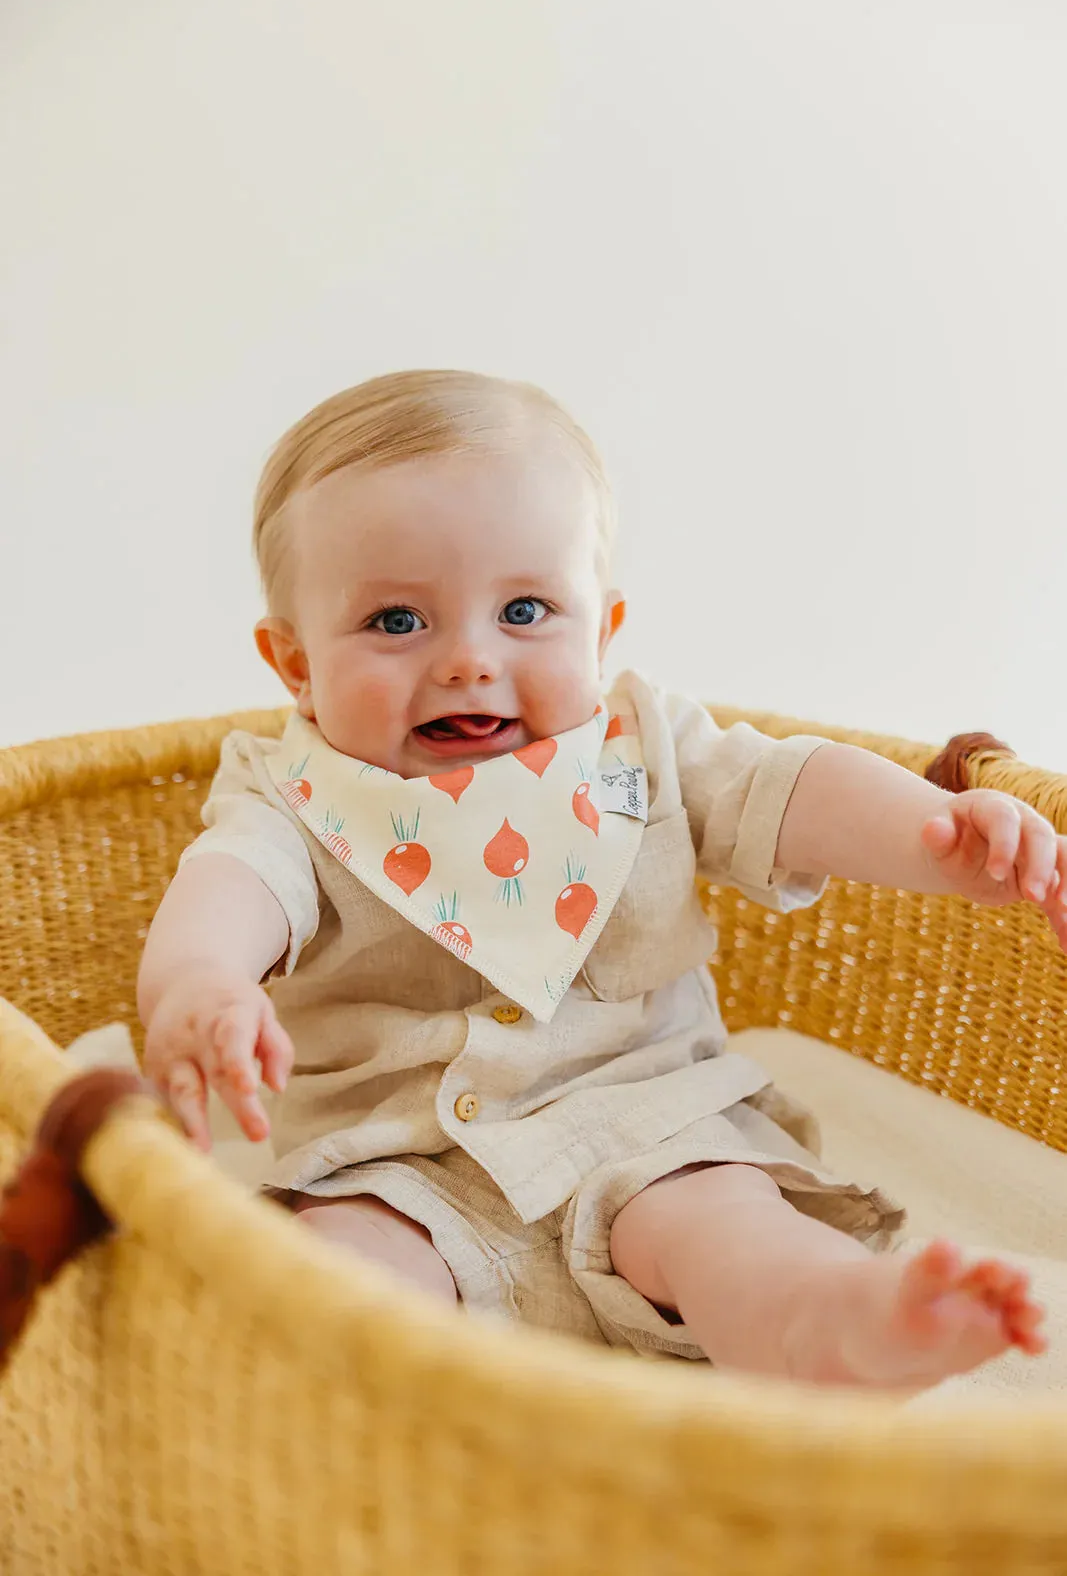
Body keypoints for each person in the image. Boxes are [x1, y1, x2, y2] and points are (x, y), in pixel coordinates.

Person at [139, 369, 1057, 1388]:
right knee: (327, 1284)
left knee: (731, 1235)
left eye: (524, 608)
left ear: (602, 627)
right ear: (294, 663)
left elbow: (787, 788)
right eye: (398, 622)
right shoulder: (291, 791)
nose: (468, 661)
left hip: (650, 1129)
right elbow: (230, 884)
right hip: (393, 1164)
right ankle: (379, 1423)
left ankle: (829, 1322)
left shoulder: (640, 744)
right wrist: (201, 985)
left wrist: (933, 835)